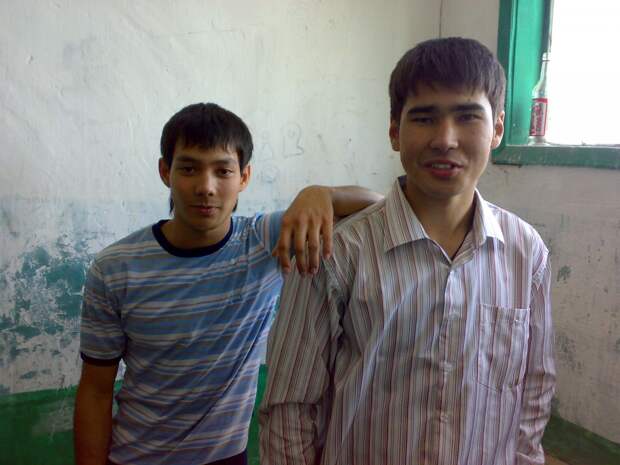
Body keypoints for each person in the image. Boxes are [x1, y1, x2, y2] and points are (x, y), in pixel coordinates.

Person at [260, 37, 556, 465]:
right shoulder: (338, 252)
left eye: (467, 116)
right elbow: (290, 406)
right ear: (394, 132)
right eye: (424, 118)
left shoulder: (526, 253)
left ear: (497, 129)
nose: (445, 139)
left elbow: (533, 391)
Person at [74, 102, 383, 465]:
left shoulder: (265, 242)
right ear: (165, 171)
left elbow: (378, 205)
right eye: (189, 168)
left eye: (223, 171)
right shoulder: (115, 268)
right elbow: (96, 391)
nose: (206, 187)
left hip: (229, 457)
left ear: (244, 177)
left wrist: (321, 193)